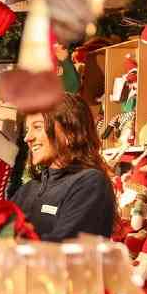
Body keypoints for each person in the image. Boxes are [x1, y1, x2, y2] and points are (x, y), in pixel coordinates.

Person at [11, 92, 116, 242]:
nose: (27, 138)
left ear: (70, 132)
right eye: (27, 130)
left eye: (37, 127)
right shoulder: (28, 190)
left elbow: (62, 247)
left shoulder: (91, 183)